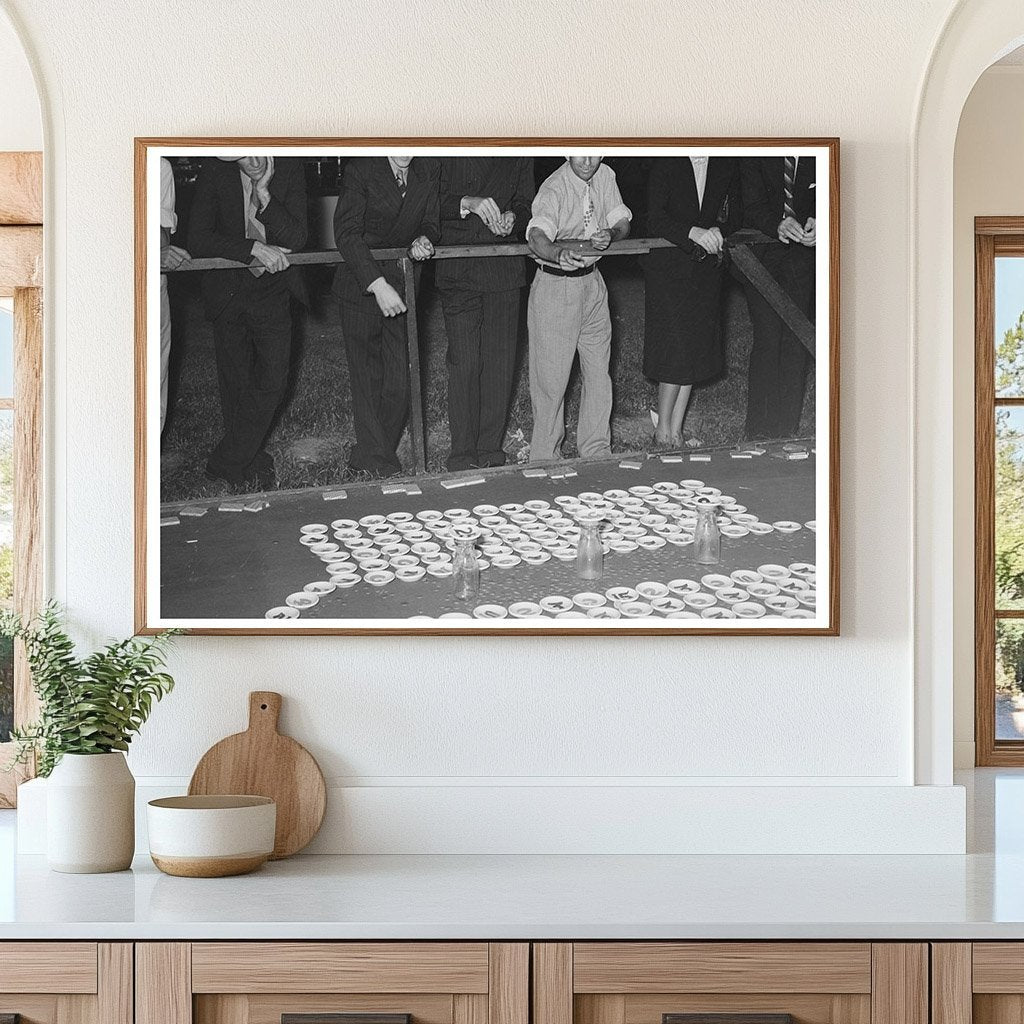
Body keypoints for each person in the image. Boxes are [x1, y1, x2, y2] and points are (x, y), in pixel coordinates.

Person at [188, 155, 308, 489]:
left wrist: (265, 195)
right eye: (243, 153)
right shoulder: (215, 170)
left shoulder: (291, 167)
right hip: (227, 290)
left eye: (260, 150)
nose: (254, 160)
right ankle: (248, 460)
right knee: (236, 385)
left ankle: (224, 460)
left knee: (273, 382)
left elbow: (298, 237)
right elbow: (198, 238)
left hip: (273, 290)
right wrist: (253, 247)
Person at [333, 156, 439, 477]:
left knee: (400, 383)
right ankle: (379, 465)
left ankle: (368, 455)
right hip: (362, 285)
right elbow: (347, 233)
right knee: (367, 381)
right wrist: (376, 285)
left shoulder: (426, 170)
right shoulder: (361, 170)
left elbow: (431, 222)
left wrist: (423, 239)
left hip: (401, 285)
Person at [525, 156, 631, 463]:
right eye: (579, 151)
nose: (587, 160)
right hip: (557, 286)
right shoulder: (554, 187)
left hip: (594, 285)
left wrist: (612, 233)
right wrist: (557, 253)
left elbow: (621, 220)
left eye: (594, 151)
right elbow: (536, 236)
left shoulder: (605, 175)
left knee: (599, 373)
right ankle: (545, 459)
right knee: (552, 381)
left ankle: (596, 452)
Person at [437, 156, 535, 471]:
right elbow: (426, 201)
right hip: (458, 266)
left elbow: (527, 203)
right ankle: (462, 454)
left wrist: (513, 219)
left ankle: (490, 450)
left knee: (500, 364)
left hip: (503, 268)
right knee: (465, 363)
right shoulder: (446, 139)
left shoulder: (519, 145)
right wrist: (466, 203)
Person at [642, 156, 740, 448]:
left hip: (705, 271)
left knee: (694, 350)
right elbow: (654, 217)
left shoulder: (725, 164)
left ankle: (676, 430)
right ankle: (661, 434)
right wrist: (692, 232)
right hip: (669, 268)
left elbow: (736, 214)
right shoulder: (665, 162)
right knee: (675, 351)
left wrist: (721, 230)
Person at [740, 155, 816, 440]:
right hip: (761, 256)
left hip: (801, 258)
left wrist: (821, 219)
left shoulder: (816, 149)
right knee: (768, 340)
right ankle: (757, 432)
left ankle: (786, 431)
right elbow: (749, 205)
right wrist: (778, 223)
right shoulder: (758, 152)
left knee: (796, 342)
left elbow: (830, 193)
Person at [159, 157, 190, 432]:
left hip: (150, 286)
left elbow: (161, 236)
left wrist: (157, 252)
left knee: (152, 386)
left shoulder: (159, 166)